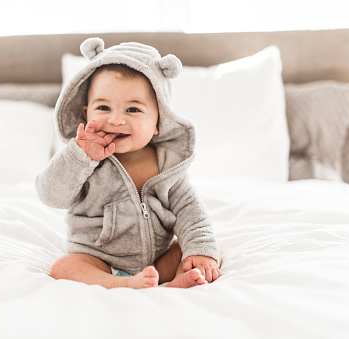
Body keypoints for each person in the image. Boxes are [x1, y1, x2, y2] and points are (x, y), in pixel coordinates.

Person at [36, 38, 220, 288]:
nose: (116, 120)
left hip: (156, 262)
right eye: (103, 107)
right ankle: (121, 283)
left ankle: (177, 280)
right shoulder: (82, 159)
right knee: (65, 267)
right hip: (98, 259)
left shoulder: (168, 166)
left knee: (190, 249)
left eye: (132, 110)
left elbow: (191, 212)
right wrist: (80, 157)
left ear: (158, 122)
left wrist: (201, 250)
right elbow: (51, 195)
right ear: (86, 113)